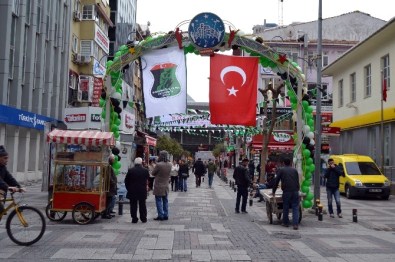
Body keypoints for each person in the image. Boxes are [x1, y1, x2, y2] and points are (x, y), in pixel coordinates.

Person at [272, 158, 300, 230]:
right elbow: (297, 181)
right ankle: (295, 224)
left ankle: (285, 222)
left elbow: (276, 181)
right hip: (295, 191)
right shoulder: (294, 170)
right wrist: (298, 189)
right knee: (295, 207)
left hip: (286, 191)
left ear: (283, 163)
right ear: (290, 163)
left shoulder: (281, 170)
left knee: (286, 206)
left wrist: (273, 191)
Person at [0, 146, 25, 215]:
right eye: (5, 158)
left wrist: (19, 187)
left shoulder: (3, 168)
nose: (7, 160)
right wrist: (8, 187)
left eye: (7, 158)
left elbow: (10, 178)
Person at [125, 157, 150, 223]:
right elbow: (148, 179)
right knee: (142, 205)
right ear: (141, 163)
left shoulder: (131, 170)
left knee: (133, 205)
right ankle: (143, 218)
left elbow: (126, 181)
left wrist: (128, 188)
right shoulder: (145, 170)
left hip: (132, 190)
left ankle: (134, 218)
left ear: (135, 163)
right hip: (142, 190)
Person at [152, 150, 172, 221]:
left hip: (159, 185)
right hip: (166, 185)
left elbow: (153, 173)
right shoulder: (170, 164)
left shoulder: (159, 164)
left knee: (158, 200)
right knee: (165, 200)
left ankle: (160, 215)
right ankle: (166, 214)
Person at [102, 155, 117, 219]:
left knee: (110, 200)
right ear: (110, 160)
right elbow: (108, 176)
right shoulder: (108, 166)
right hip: (109, 186)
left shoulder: (109, 166)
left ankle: (108, 212)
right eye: (113, 159)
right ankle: (106, 213)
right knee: (108, 200)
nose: (113, 161)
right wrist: (113, 182)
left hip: (110, 186)